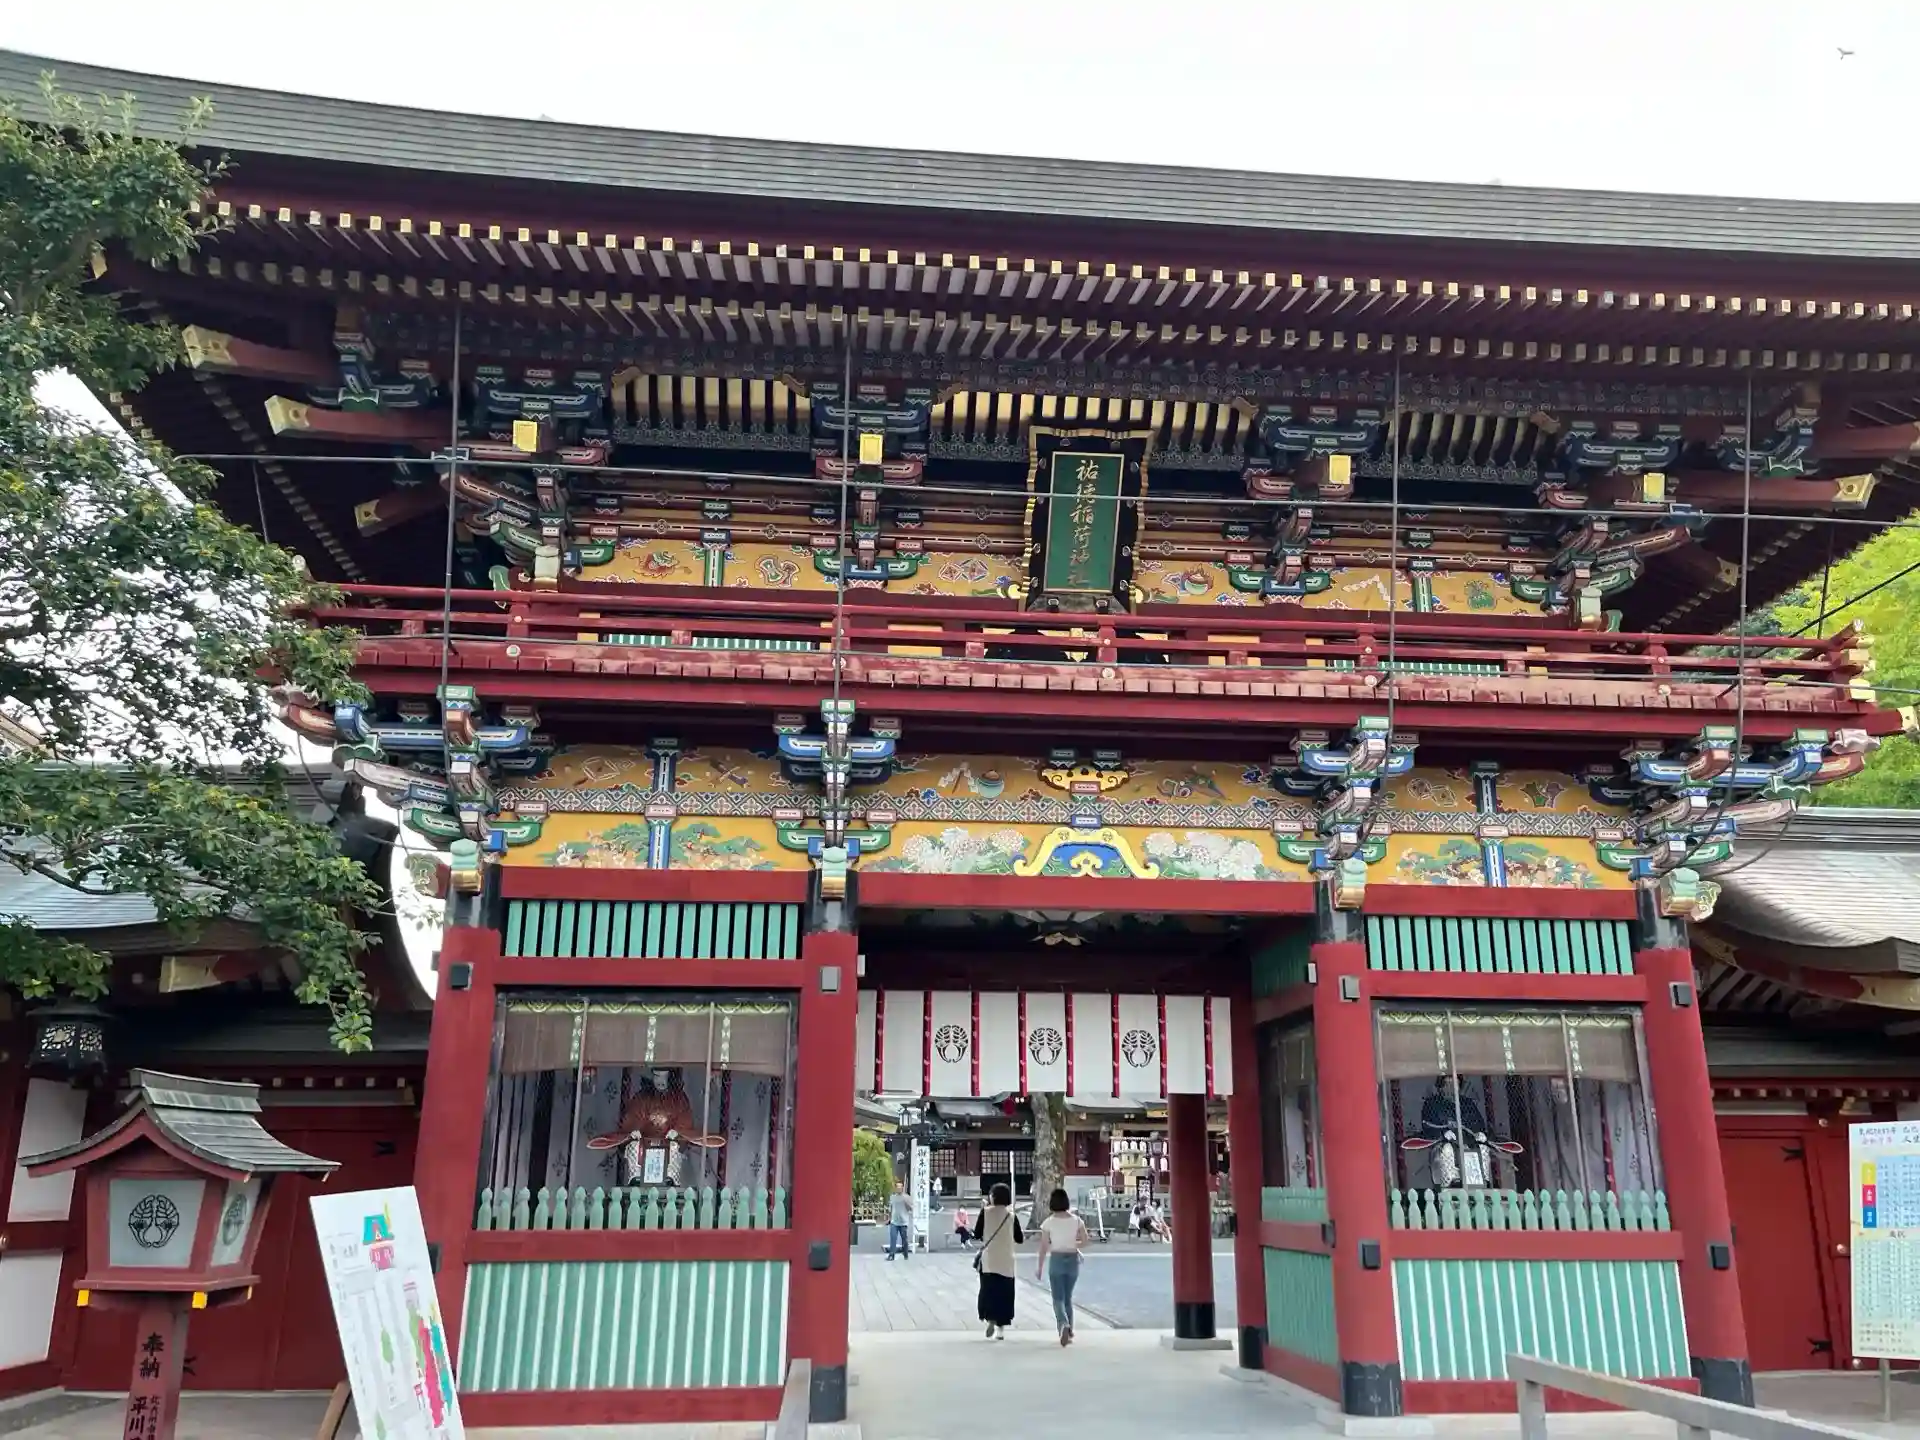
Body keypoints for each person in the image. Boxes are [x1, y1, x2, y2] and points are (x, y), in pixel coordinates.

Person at [1033, 1188, 1089, 1346]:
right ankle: (1069, 1331)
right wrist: (1074, 1245)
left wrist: (1039, 1267)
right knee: (1067, 1297)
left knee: (1057, 1298)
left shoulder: (1048, 1222)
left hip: (1056, 1259)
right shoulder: (1077, 1220)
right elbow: (1085, 1241)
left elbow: (1044, 1247)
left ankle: (1063, 1324)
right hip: (1072, 1260)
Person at [971, 1182, 1023, 1337]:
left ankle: (990, 1318)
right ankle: (1001, 1329)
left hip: (989, 1260)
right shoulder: (1011, 1215)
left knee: (988, 1290)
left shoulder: (985, 1212)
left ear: (992, 1196)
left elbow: (977, 1234)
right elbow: (1019, 1238)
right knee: (1005, 1294)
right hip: (1006, 1260)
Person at [885, 1180, 913, 1261]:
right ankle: (891, 1255)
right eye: (897, 1187)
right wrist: (889, 1218)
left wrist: (906, 1203)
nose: (899, 1188)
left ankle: (905, 1253)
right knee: (893, 1238)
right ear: (895, 1188)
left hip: (903, 1222)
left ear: (902, 1188)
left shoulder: (906, 1197)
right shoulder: (892, 1197)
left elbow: (910, 1208)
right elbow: (891, 1208)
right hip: (894, 1221)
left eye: (900, 1187)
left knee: (904, 1239)